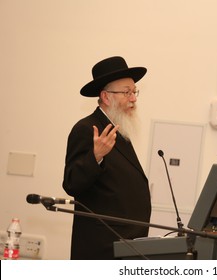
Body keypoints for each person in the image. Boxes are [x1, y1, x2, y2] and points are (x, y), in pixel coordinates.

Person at [62, 56, 151, 260]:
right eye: (127, 92)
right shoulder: (87, 129)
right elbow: (71, 183)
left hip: (124, 246)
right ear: (106, 96)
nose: (133, 98)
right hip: (101, 248)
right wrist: (95, 157)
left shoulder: (118, 130)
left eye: (134, 91)